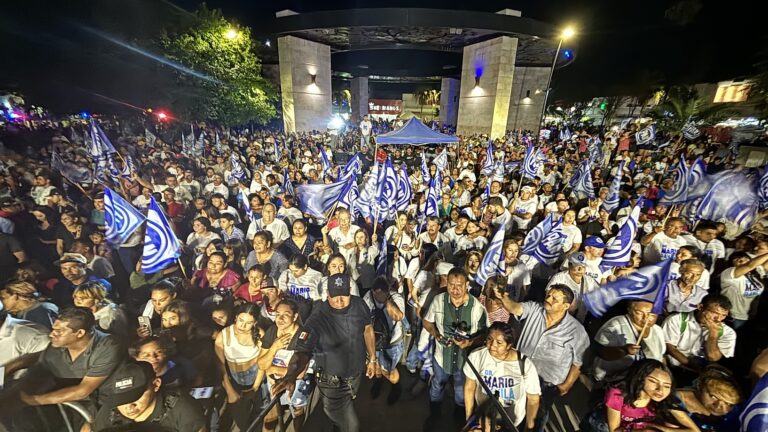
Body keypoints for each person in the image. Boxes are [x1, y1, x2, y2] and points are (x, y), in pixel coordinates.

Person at [8, 308, 122, 431]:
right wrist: (10, 370)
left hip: (105, 405)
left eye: (59, 331)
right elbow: (39, 371)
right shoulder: (57, 346)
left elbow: (82, 391)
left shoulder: (107, 346)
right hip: (72, 405)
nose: (52, 334)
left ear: (79, 333)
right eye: (53, 329)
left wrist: (33, 400)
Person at [497, 284, 589, 432]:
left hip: (545, 385)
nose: (549, 299)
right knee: (510, 411)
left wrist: (567, 385)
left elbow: (578, 363)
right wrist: (503, 297)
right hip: (519, 373)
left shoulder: (577, 331)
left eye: (555, 298)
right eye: (549, 295)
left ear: (566, 305)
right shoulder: (534, 308)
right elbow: (515, 308)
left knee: (535, 420)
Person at [303, 273, 377, 432]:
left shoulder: (359, 304)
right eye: (335, 296)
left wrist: (372, 359)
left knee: (346, 408)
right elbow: (303, 349)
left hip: (355, 374)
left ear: (350, 291)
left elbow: (368, 329)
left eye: (344, 295)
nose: (339, 301)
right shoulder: (318, 315)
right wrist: (292, 373)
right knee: (351, 426)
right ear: (327, 294)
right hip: (330, 380)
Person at [422, 267, 489, 430]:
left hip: (464, 360)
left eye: (459, 285)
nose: (455, 289)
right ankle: (434, 415)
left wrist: (470, 342)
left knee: (461, 392)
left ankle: (459, 418)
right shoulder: (438, 300)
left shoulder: (477, 308)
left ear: (467, 284)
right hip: (441, 356)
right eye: (451, 285)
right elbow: (427, 322)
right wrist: (436, 335)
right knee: (437, 385)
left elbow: (486, 334)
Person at [580, 359, 700, 431]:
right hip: (605, 425)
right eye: (653, 381)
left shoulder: (666, 399)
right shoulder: (618, 394)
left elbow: (694, 430)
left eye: (667, 386)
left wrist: (658, 429)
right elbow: (614, 430)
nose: (660, 390)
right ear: (640, 379)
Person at [463, 321, 541, 430]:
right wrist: (469, 417)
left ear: (509, 345)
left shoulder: (525, 365)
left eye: (499, 342)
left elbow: (533, 399)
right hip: (484, 421)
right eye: (489, 339)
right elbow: (469, 387)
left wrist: (529, 428)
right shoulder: (477, 356)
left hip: (512, 423)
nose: (492, 345)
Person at [91, 360, 208, 432]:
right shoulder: (110, 410)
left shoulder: (183, 408)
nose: (129, 407)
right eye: (121, 399)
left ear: (156, 385)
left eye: (135, 397)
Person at [258, 299, 315, 432]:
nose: (280, 319)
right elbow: (261, 364)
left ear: (295, 316)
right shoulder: (272, 331)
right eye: (278, 314)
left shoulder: (303, 335)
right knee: (269, 418)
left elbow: (300, 373)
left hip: (296, 383)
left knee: (297, 409)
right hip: (273, 383)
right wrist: (274, 348)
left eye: (286, 315)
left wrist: (272, 368)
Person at [214, 302, 265, 431]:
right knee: (240, 416)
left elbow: (263, 362)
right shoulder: (223, 335)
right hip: (235, 378)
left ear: (255, 323)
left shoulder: (260, 334)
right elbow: (220, 366)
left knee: (261, 411)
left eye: (248, 322)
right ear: (236, 317)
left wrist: (255, 387)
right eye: (241, 320)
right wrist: (229, 390)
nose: (243, 325)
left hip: (257, 375)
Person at [663, 294, 736, 384]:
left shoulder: (728, 333)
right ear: (700, 307)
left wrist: (713, 335)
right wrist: (692, 366)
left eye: (723, 315)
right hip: (674, 366)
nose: (718, 319)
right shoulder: (676, 320)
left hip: (703, 372)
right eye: (715, 313)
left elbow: (713, 358)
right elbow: (670, 348)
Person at [592, 300, 666, 382]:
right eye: (639, 313)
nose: (645, 318)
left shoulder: (658, 330)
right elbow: (601, 352)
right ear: (630, 310)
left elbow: (661, 358)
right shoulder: (615, 326)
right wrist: (624, 350)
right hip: (613, 380)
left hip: (643, 382)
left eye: (651, 314)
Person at [363, 277, 406, 402]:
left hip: (391, 343)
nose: (378, 298)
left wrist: (386, 301)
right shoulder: (368, 298)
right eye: (376, 295)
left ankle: (396, 387)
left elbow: (399, 316)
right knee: (375, 365)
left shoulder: (396, 298)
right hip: (373, 340)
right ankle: (378, 381)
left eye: (383, 294)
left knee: (389, 370)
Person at [674, 365, 743, 431]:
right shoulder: (675, 401)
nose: (718, 406)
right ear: (701, 387)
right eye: (714, 397)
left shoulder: (737, 413)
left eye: (728, 403)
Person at [719, 251, 766, 329]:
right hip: (735, 318)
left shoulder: (756, 273)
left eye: (746, 259)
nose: (742, 262)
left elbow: (761, 265)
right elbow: (749, 266)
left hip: (752, 317)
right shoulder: (729, 273)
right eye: (738, 260)